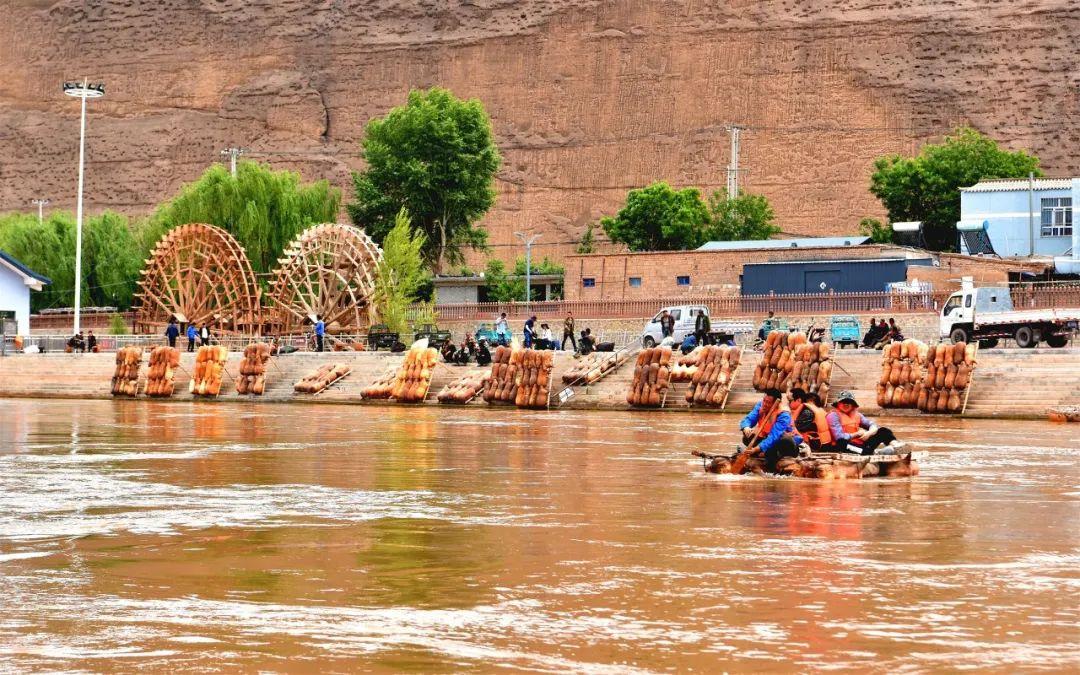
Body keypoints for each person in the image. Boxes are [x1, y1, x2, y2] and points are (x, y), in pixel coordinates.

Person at [739, 388, 802, 473]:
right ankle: (763, 452)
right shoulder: (760, 405)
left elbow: (774, 437)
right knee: (747, 436)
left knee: (782, 441)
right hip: (767, 439)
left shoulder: (784, 415)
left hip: (784, 443)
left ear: (776, 403)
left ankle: (771, 459)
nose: (765, 404)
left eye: (768, 402)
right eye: (764, 400)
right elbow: (749, 418)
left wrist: (756, 449)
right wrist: (746, 426)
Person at [825, 391, 903, 455]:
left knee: (883, 430)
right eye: (843, 401)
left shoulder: (857, 415)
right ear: (838, 403)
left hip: (861, 445)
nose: (846, 404)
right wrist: (857, 434)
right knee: (841, 442)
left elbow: (872, 425)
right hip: (845, 446)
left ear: (853, 405)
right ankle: (871, 453)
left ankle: (896, 445)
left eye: (849, 402)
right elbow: (839, 437)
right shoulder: (833, 415)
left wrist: (869, 433)